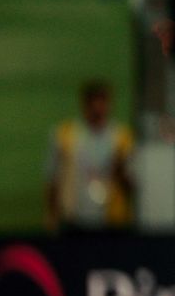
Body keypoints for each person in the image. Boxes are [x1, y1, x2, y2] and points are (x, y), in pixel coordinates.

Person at [46, 81, 133, 233]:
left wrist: (120, 169)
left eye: (103, 102)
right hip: (73, 218)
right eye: (94, 103)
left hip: (112, 220)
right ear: (85, 104)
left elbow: (131, 185)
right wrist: (52, 217)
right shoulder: (65, 135)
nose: (98, 109)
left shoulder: (122, 138)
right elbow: (53, 178)